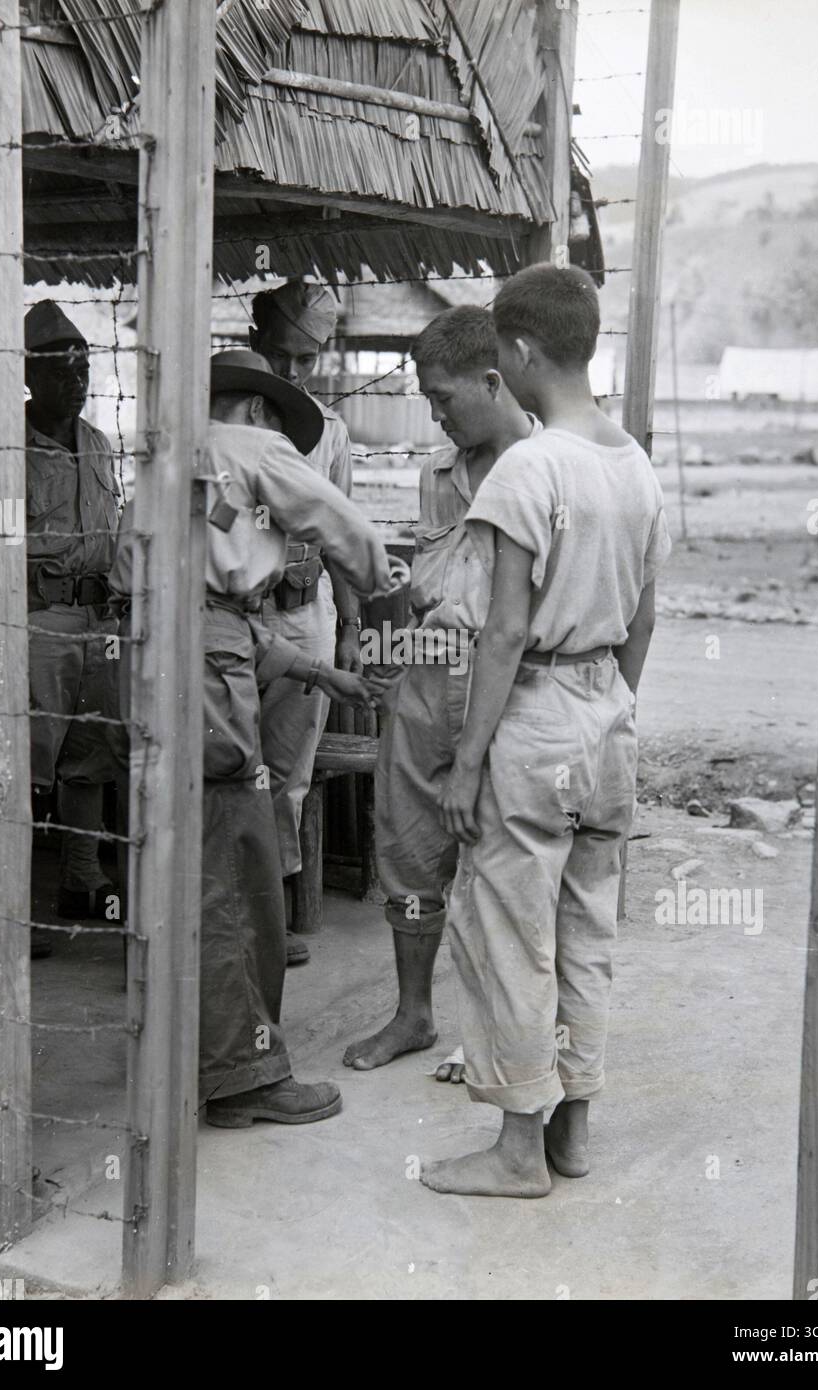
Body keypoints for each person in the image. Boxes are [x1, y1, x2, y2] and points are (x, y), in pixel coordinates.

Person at [418, 265, 671, 1197]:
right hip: (607, 714)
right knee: (586, 931)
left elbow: (504, 629)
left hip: (534, 716)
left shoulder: (533, 466)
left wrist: (467, 761)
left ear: (518, 353)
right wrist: (612, 706)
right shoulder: (632, 461)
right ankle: (573, 1131)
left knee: (508, 931)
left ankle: (517, 1152)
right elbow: (644, 616)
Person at [110, 349, 402, 1127]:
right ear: (260, 411)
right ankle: (243, 1075)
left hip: (150, 664)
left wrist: (315, 671)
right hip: (209, 675)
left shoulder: (161, 460)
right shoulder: (249, 449)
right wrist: (396, 586)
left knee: (179, 864)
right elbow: (341, 528)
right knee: (236, 866)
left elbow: (192, 606)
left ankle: (189, 1057)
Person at [342, 306, 538, 1081]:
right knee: (409, 847)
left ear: (492, 382)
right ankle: (414, 1014)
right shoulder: (436, 475)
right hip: (426, 677)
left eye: (443, 397)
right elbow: (429, 587)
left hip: (508, 684)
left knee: (498, 858)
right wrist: (387, 646)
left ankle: (489, 1030)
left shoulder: (545, 467)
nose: (434, 412)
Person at [249, 280, 362, 964]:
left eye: (306, 358)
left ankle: (274, 914)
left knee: (286, 776)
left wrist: (349, 626)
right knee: (226, 766)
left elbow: (343, 538)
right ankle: (219, 910)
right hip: (234, 622)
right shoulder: (228, 422)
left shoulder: (331, 434)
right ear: (257, 342)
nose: (291, 371)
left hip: (302, 618)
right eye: (280, 354)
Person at [24, 300, 124, 951]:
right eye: (62, 369)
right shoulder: (9, 445)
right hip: (40, 618)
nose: (77, 381)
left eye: (84, 367)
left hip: (101, 616)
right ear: (31, 373)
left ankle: (81, 883)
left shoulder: (100, 445)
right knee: (31, 763)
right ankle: (16, 904)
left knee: (91, 760)